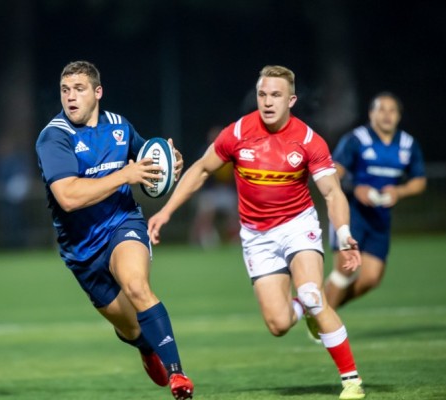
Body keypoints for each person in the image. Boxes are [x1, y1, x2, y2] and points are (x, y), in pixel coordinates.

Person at [148, 65, 366, 400]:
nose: (267, 102)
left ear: (291, 100)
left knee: (312, 293)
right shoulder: (237, 133)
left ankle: (351, 380)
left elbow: (333, 193)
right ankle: (302, 309)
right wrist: (165, 211)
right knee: (278, 325)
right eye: (263, 94)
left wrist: (346, 233)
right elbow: (201, 170)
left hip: (298, 226)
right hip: (257, 236)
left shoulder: (309, 141)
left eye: (276, 95)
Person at [35, 61, 194, 399]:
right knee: (133, 327)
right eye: (65, 90)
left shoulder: (119, 126)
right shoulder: (54, 137)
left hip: (123, 223)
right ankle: (144, 346)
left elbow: (147, 159)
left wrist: (169, 161)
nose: (70, 97)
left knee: (137, 285)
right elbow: (68, 197)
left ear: (97, 92)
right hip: (81, 249)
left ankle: (178, 376)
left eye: (79, 89)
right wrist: (126, 175)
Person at [324, 92, 426, 309]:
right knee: (345, 270)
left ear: (399, 116)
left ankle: (319, 309)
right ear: (371, 114)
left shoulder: (407, 144)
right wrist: (355, 186)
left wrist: (399, 191)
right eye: (381, 109)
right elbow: (333, 173)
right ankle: (324, 327)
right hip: (351, 213)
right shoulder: (356, 140)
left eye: (392, 110)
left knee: (371, 278)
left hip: (380, 218)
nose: (387, 115)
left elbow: (419, 181)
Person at [189, 126, 238, 248]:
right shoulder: (204, 153)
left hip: (225, 191)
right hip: (209, 192)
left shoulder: (231, 153)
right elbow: (199, 176)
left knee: (237, 211)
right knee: (205, 212)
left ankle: (235, 238)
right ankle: (200, 240)